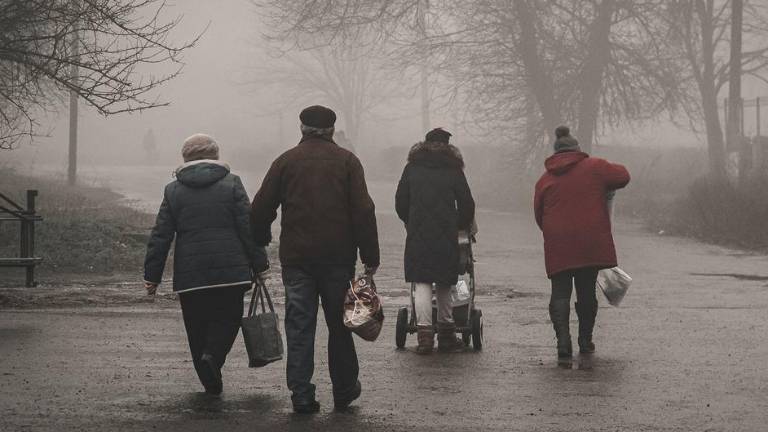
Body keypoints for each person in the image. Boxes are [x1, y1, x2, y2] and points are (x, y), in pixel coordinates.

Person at [250, 105, 380, 413]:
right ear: (332, 130)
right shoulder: (348, 162)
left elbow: (260, 208)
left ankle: (302, 394)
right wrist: (370, 256)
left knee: (300, 325)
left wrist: (261, 240)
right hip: (337, 258)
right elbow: (363, 211)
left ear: (302, 128)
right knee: (341, 324)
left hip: (297, 259)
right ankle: (345, 389)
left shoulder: (285, 162)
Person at [143, 133, 269, 395]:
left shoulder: (173, 190)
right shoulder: (232, 183)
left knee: (196, 325)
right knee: (228, 319)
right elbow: (248, 227)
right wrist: (260, 265)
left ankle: (209, 378)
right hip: (231, 270)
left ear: (185, 157)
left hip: (191, 276)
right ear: (215, 155)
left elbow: (161, 235)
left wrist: (152, 276)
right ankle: (213, 357)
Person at [534, 126, 630, 359]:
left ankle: (563, 344)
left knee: (560, 293)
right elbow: (623, 176)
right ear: (578, 150)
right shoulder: (595, 168)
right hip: (589, 240)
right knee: (586, 291)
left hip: (558, 240)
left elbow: (539, 214)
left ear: (555, 153)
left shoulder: (545, 179)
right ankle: (585, 342)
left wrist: (555, 232)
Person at [395, 128, 476, 354]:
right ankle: (447, 334)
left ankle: (424, 338)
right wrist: (457, 223)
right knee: (444, 282)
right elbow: (467, 204)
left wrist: (410, 221)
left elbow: (400, 201)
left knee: (421, 282)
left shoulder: (412, 168)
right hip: (445, 234)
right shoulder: (453, 170)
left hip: (418, 234)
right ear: (448, 146)